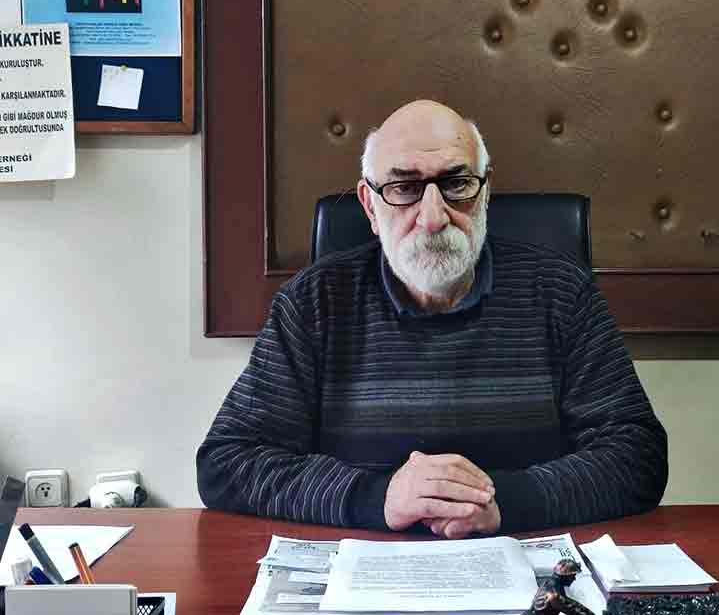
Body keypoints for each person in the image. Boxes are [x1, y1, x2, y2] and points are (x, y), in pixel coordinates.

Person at [197, 100, 668, 539]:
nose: (433, 217)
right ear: (369, 206)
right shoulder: (313, 302)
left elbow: (637, 455)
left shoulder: (562, 293)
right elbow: (228, 461)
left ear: (485, 192)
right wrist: (377, 498)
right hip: (365, 564)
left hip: (524, 563)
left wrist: (504, 502)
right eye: (404, 188)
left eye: (456, 184)